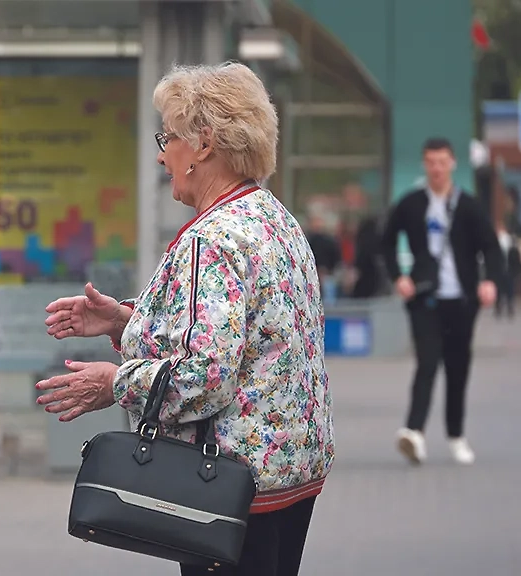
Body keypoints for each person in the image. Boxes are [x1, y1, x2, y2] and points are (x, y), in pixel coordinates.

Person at [35, 62, 334, 576]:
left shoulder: (210, 239)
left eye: (168, 137)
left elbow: (206, 376)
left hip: (227, 487)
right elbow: (253, 335)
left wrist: (116, 383)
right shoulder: (273, 218)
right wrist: (125, 321)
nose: (161, 154)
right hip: (289, 474)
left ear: (204, 144)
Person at [381, 137, 503, 466]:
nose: (436, 169)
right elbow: (386, 241)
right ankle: (414, 432)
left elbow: (491, 247)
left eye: (442, 162)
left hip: (462, 300)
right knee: (427, 361)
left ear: (452, 164)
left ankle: (456, 435)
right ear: (425, 164)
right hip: (425, 298)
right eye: (431, 162)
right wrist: (398, 277)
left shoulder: (468, 206)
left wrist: (489, 281)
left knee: (458, 367)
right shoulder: (411, 204)